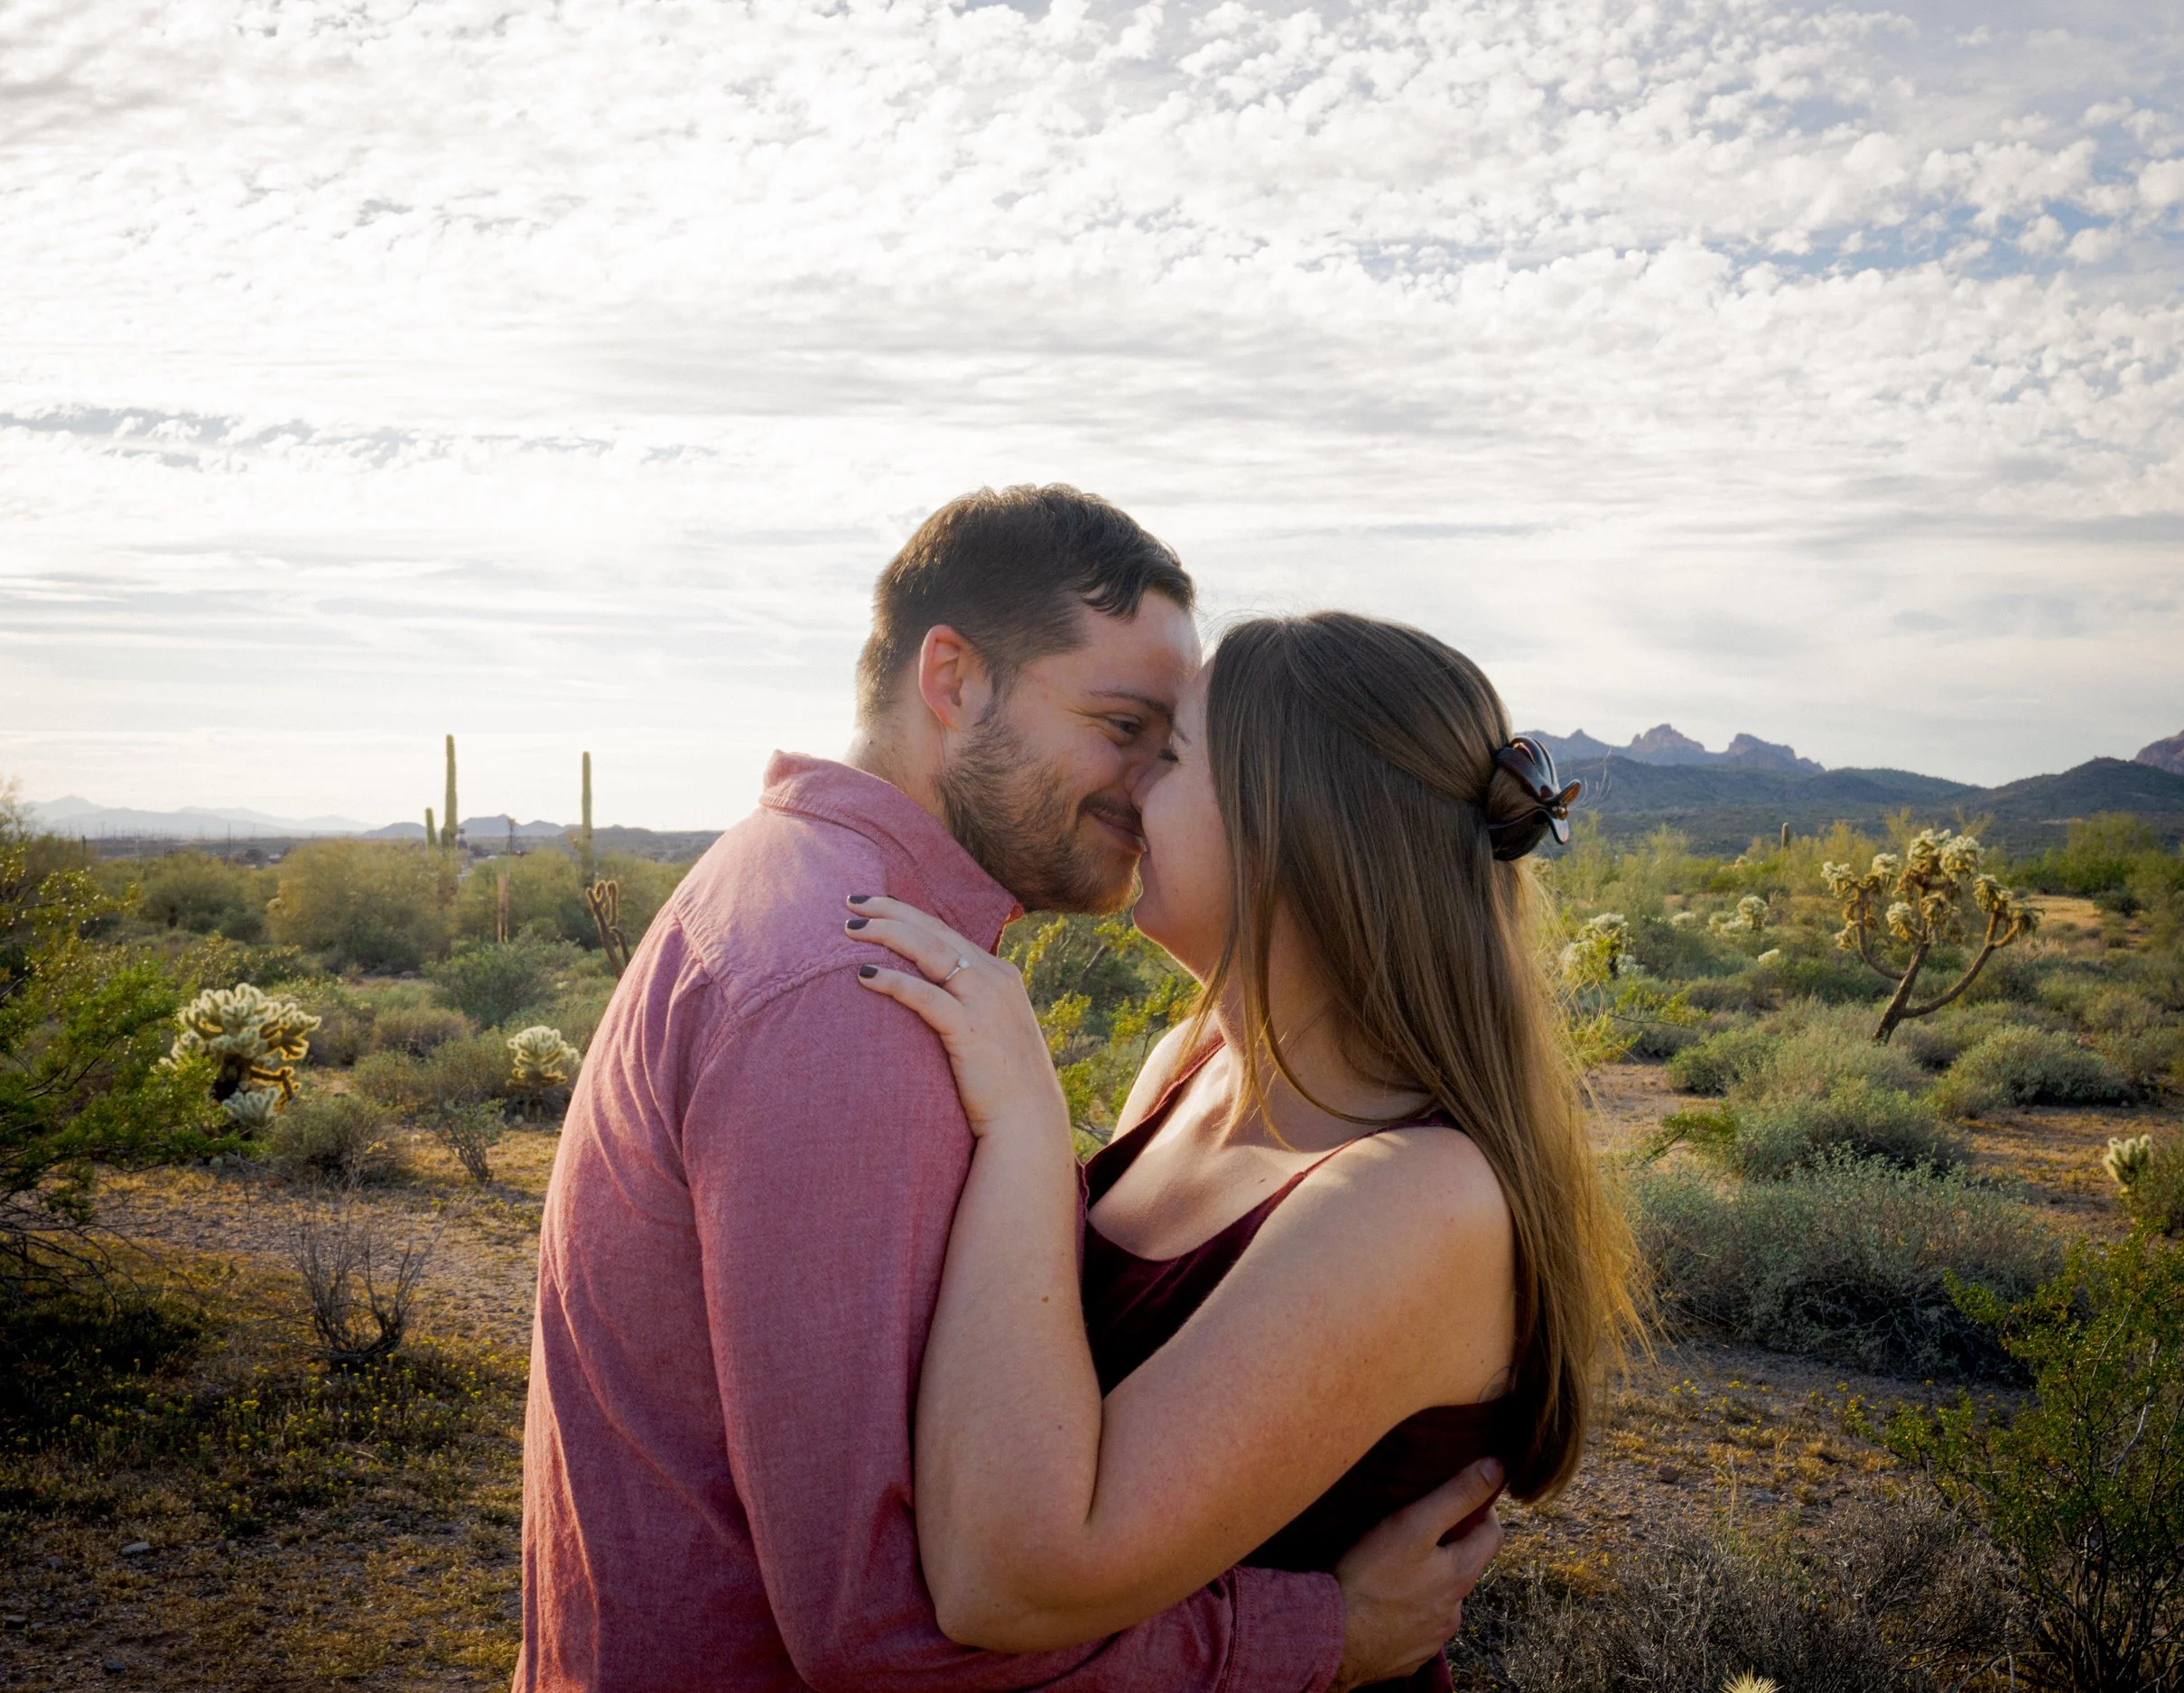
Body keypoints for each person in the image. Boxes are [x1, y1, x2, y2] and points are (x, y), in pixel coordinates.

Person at [516, 488, 1504, 1693]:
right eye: (1125, 724)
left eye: (1171, 748)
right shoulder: (852, 983)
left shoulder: (841, 921)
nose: (1142, 784)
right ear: (955, 680)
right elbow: (894, 1617)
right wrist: (1322, 1634)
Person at [849, 612, 1640, 1691]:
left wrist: (1030, 1132)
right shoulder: (1187, 1064)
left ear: (1295, 832)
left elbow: (1010, 1580)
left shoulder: (1417, 1202)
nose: (1128, 788)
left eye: (1168, 756)